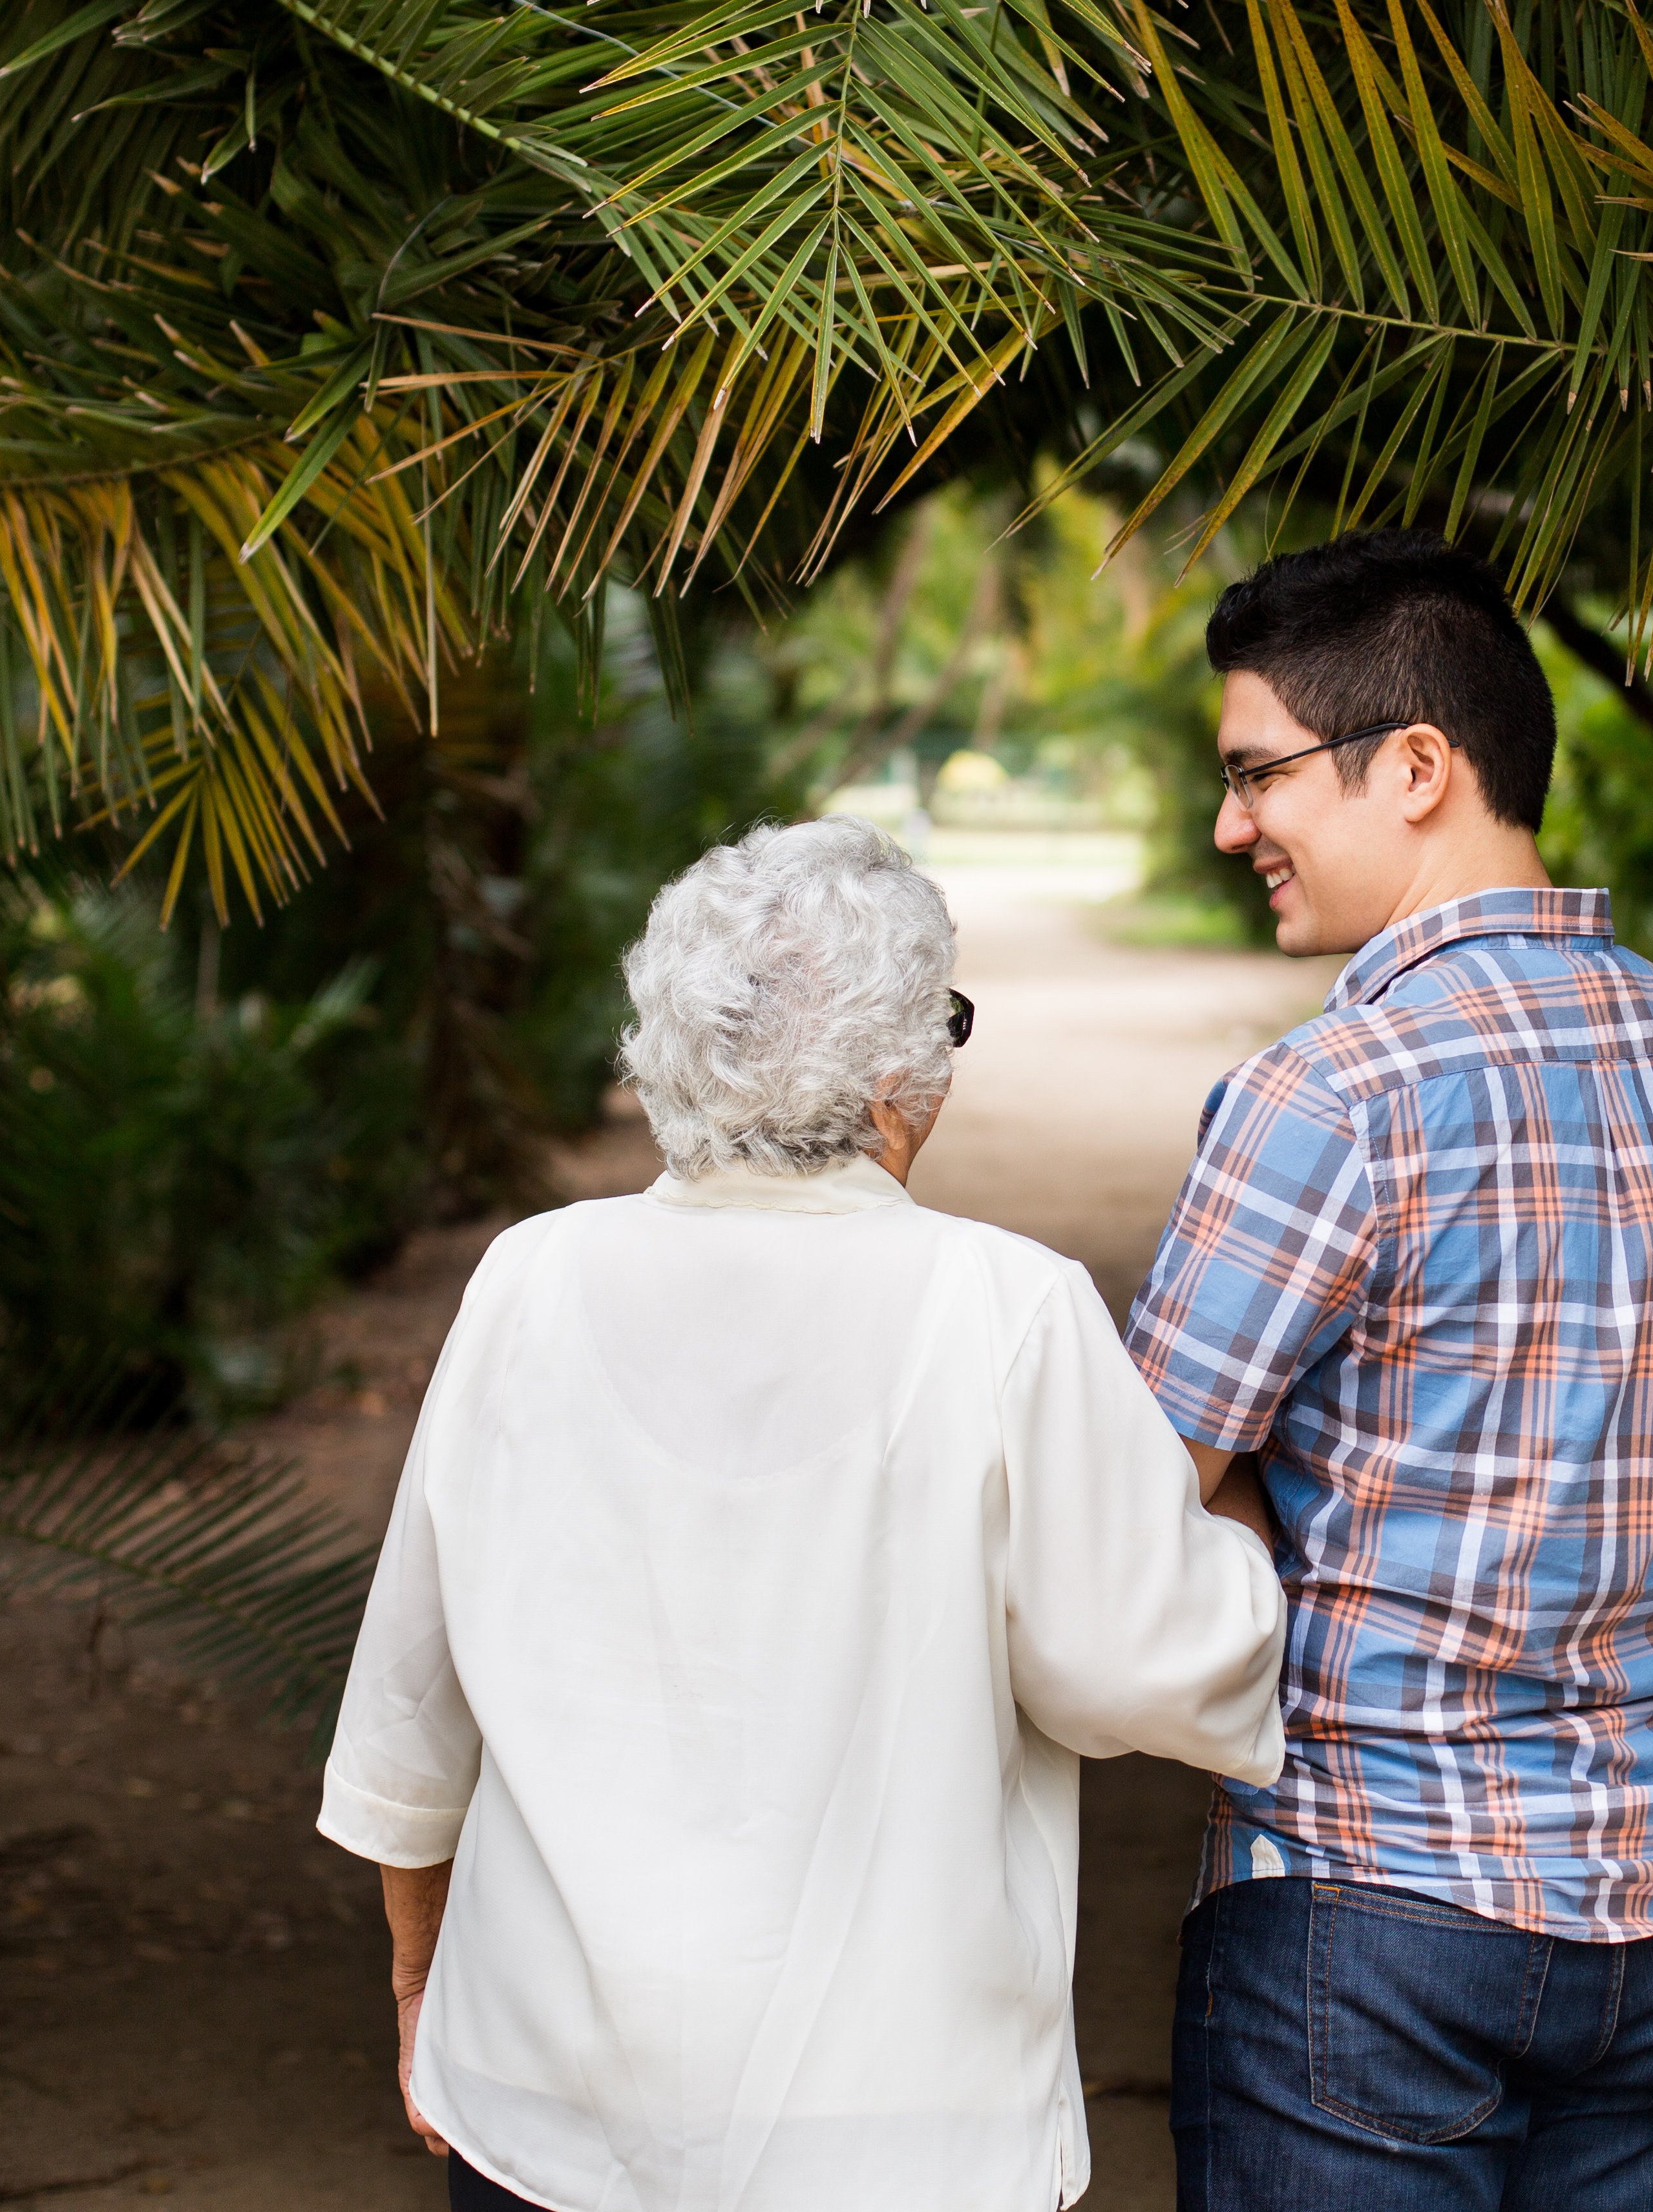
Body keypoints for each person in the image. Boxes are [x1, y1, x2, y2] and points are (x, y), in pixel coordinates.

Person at [318, 815, 1287, 2212]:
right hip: (901, 2132)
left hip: (545, 2107)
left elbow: (414, 1705)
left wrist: (419, 1981)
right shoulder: (1005, 1309)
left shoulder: (527, 1281)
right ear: (905, 1073)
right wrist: (1239, 1527)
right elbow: (1136, 1668)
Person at [1127, 530, 1653, 2210]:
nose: (1233, 827)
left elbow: (1124, 1507)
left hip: (1375, 1921)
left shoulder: (1334, 1094)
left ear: (1416, 766)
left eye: (1257, 774)